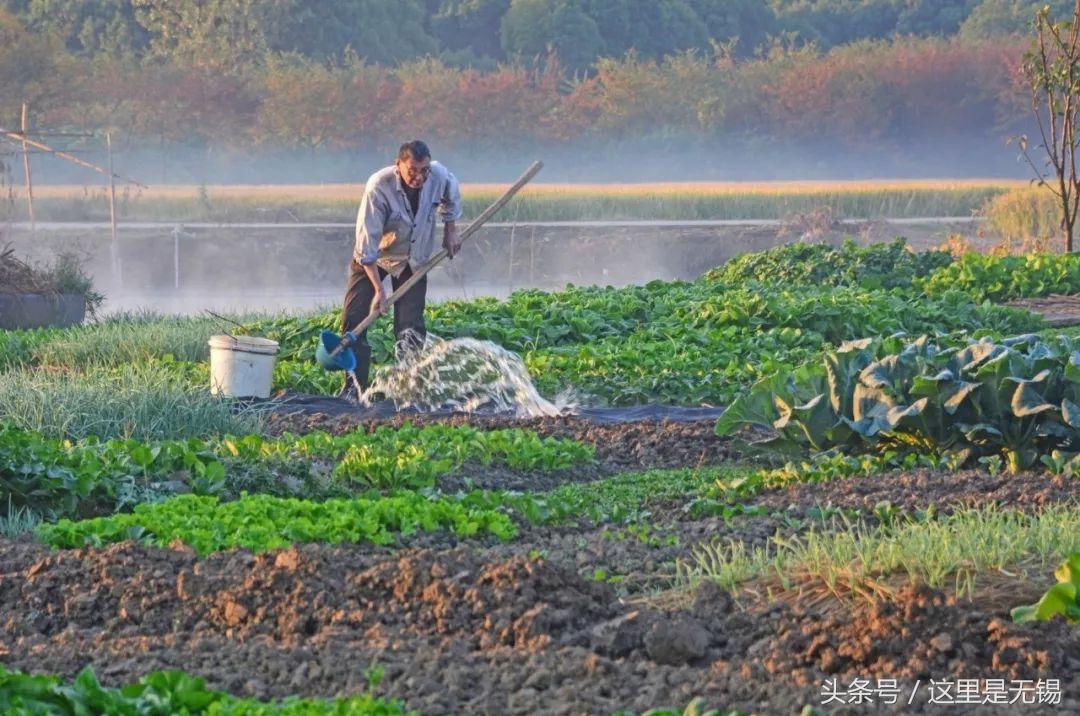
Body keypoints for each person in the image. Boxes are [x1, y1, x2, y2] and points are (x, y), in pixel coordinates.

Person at [340, 140, 462, 395]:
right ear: (398, 166)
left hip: (413, 258)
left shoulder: (438, 175)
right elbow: (367, 247)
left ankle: (408, 388)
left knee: (410, 327)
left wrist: (451, 231)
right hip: (375, 258)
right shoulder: (378, 187)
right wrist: (378, 290)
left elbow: (452, 195)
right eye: (412, 171)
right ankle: (354, 388)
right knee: (354, 319)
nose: (419, 177)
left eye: (424, 170)